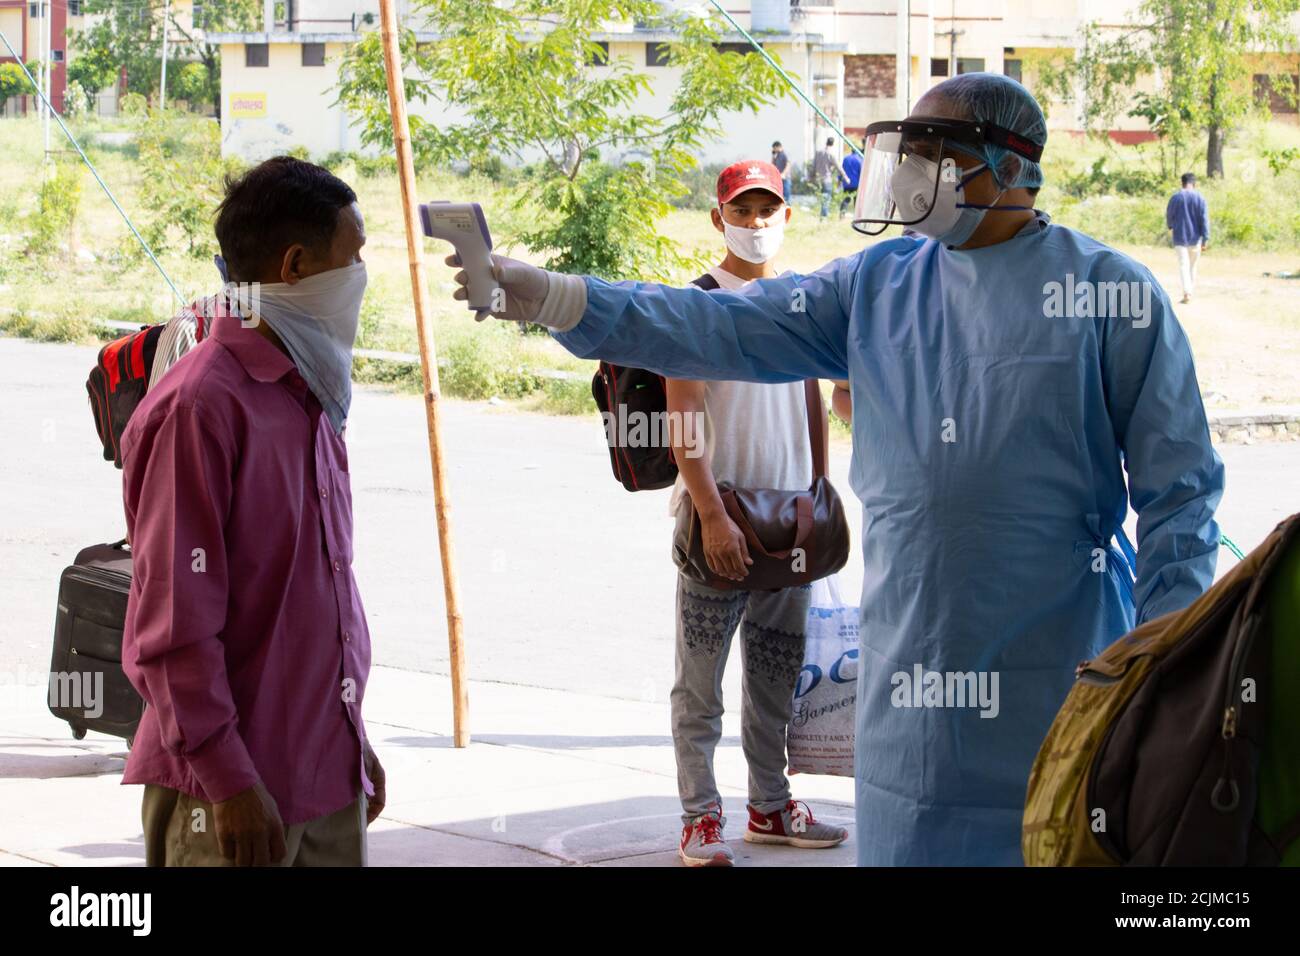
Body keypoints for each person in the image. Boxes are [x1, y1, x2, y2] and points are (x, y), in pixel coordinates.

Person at [446, 73, 1225, 866]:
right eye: (906, 151)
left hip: (1058, 675)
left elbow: (1182, 498)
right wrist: (557, 297)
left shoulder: (1104, 294)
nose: (911, 168)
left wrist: (1165, 666)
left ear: (1007, 165)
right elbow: (719, 326)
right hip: (908, 686)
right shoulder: (878, 285)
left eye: (932, 151)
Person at [120, 157, 384, 867]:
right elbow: (174, 624)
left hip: (326, 772)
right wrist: (229, 781)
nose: (363, 277)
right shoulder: (200, 406)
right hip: (229, 797)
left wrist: (352, 740)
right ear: (296, 265)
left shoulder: (312, 395)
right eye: (353, 258)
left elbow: (318, 593)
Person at [667, 160, 848, 867]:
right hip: (724, 522)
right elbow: (683, 420)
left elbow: (825, 405)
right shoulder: (698, 305)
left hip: (792, 527)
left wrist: (821, 495)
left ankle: (770, 808)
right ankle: (699, 817)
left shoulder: (803, 302)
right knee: (700, 682)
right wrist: (711, 514)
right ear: (718, 219)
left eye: (767, 208)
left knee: (775, 674)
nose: (755, 223)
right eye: (741, 211)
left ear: (788, 215)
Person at [1166, 172, 1210, 304]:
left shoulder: (1176, 197)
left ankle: (1187, 292)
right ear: (1194, 183)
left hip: (1180, 236)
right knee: (1193, 266)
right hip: (1196, 238)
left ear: (1182, 183)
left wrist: (1170, 226)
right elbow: (1204, 219)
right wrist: (1206, 238)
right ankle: (1189, 291)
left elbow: (1169, 214)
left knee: (1183, 265)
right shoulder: (1200, 198)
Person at [812, 136, 846, 219]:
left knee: (822, 198)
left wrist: (811, 176)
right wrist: (845, 176)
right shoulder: (831, 154)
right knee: (826, 198)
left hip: (818, 179)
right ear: (833, 144)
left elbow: (813, 166)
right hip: (827, 180)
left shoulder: (818, 152)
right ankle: (824, 216)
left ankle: (822, 215)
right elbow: (839, 167)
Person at [839, 142, 863, 219]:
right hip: (857, 184)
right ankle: (857, 217)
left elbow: (842, 170)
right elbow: (861, 173)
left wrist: (839, 180)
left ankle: (842, 214)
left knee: (846, 199)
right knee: (857, 201)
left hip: (847, 183)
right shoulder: (860, 159)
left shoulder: (846, 159)